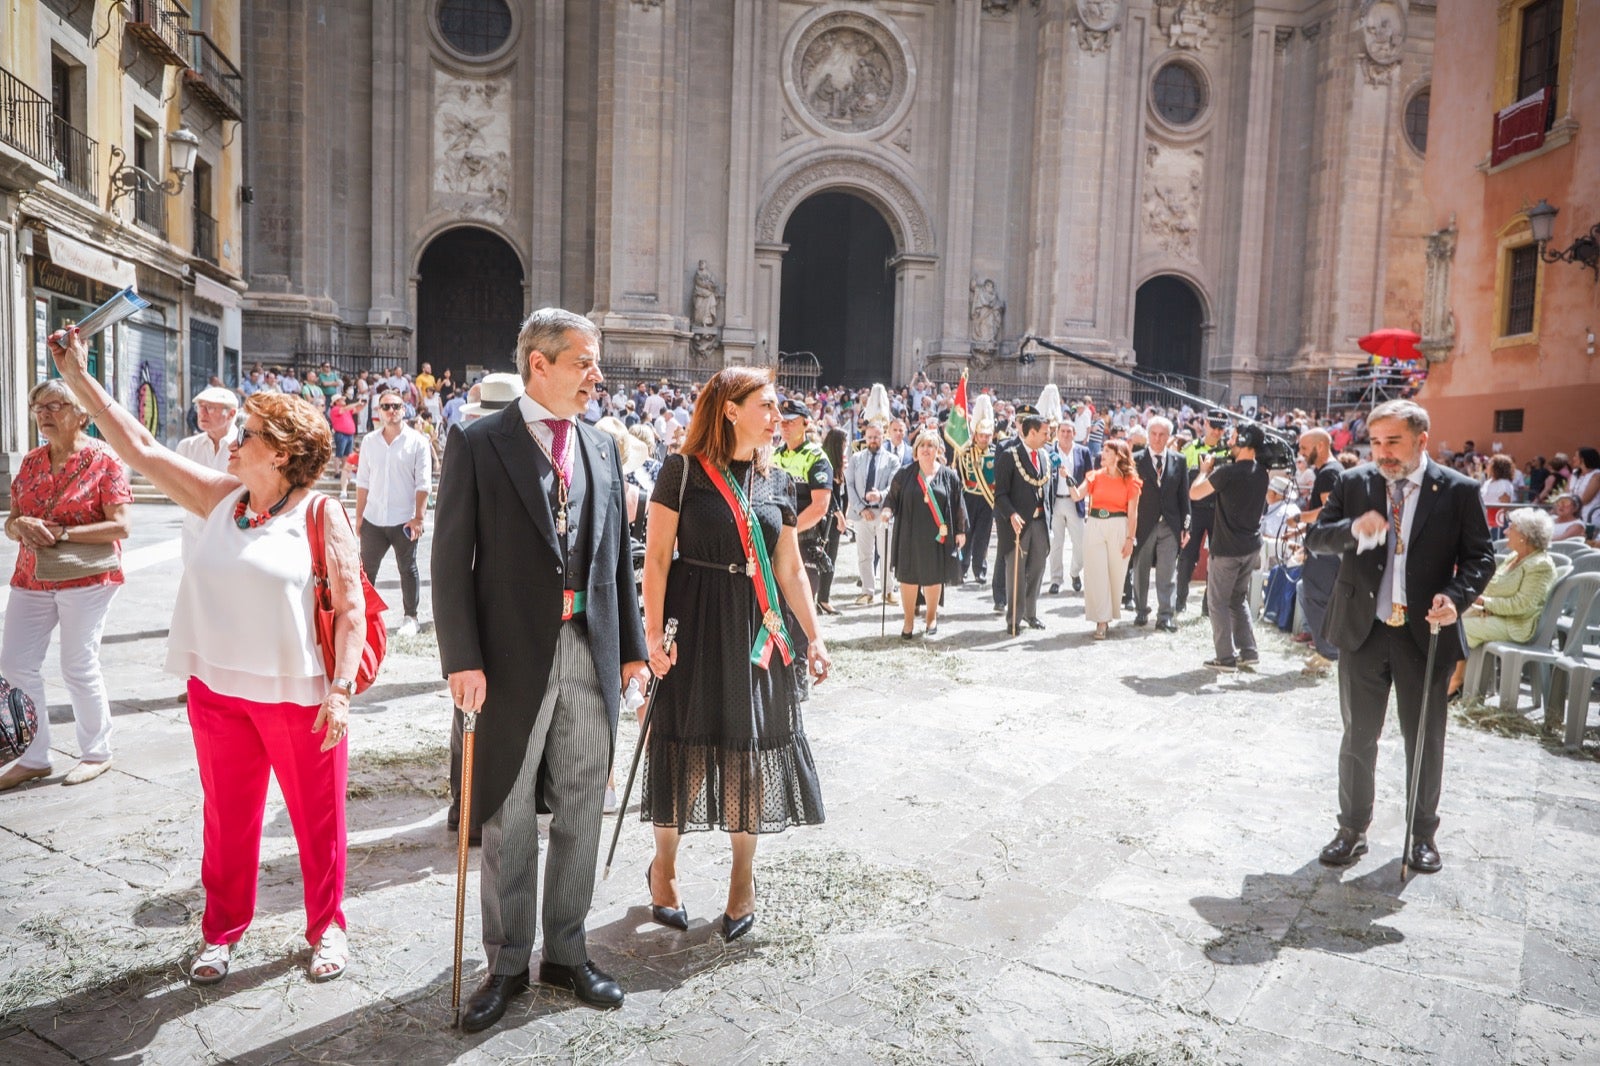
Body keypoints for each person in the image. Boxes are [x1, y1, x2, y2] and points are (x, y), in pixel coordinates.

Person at [43, 327, 366, 983]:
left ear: (280, 453)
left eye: (246, 434)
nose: (233, 441)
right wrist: (78, 377)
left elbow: (353, 607)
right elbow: (139, 446)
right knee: (227, 821)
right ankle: (221, 932)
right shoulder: (221, 499)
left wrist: (340, 692)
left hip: (300, 697)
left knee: (317, 822)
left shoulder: (320, 513)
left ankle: (327, 927)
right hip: (216, 692)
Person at [432, 308, 647, 1028]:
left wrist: (634, 650)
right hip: (506, 662)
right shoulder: (478, 442)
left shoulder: (601, 446)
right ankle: (505, 962)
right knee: (509, 812)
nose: (598, 375)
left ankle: (566, 951)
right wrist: (460, 658)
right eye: (584, 362)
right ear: (539, 365)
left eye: (596, 362)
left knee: (586, 802)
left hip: (590, 649)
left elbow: (616, 557)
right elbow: (449, 564)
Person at [639, 367, 828, 945]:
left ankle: (742, 881)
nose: (777, 419)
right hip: (693, 626)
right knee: (688, 755)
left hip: (757, 634)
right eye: (766, 407)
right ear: (729, 409)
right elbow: (656, 560)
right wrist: (651, 637)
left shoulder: (779, 482)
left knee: (747, 754)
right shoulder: (681, 471)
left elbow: (790, 568)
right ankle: (664, 869)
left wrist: (814, 637)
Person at [1302, 399, 1495, 875]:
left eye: (1394, 442)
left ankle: (1422, 834)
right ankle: (1352, 829)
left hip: (1425, 635)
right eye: (1376, 442)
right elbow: (1317, 539)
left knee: (1424, 740)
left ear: (1421, 440)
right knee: (1358, 737)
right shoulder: (1353, 482)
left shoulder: (1458, 490)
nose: (1383, 452)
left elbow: (1480, 559)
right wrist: (1353, 530)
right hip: (1363, 631)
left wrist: (1456, 596)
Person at [0, 380, 133, 792]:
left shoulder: (104, 460)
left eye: (54, 405)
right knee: (16, 663)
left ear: (80, 413)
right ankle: (35, 756)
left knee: (77, 664)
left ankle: (97, 752)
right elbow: (12, 521)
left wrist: (62, 534)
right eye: (38, 406)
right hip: (31, 574)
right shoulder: (32, 462)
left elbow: (122, 527)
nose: (44, 414)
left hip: (89, 576)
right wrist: (19, 524)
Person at [1448, 508, 1559, 698]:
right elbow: (1492, 588)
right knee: (1449, 616)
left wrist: (1485, 603)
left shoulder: (1540, 565)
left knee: (1461, 627)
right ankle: (1450, 677)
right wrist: (1485, 606)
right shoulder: (1513, 558)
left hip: (1519, 626)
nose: (1506, 531)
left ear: (1525, 535)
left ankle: (1457, 682)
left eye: (1511, 527)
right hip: (1498, 615)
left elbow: (1523, 606)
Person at [1190, 425, 1270, 670]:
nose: (1229, 442)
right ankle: (1249, 651)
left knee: (1217, 602)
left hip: (1227, 550)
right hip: (1250, 547)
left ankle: (1225, 657)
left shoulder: (1228, 473)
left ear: (1245, 442)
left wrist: (1204, 471)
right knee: (1237, 599)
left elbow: (1195, 493)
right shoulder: (1262, 473)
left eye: (1234, 439)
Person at [356, 392, 432, 638]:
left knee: (407, 568)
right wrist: (359, 517)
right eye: (386, 406)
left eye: (396, 406)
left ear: (404, 409)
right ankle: (361, 615)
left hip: (404, 518)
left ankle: (411, 617)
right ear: (378, 411)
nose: (391, 410)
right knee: (366, 570)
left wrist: (419, 518)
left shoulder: (417, 442)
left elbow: (423, 484)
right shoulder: (369, 441)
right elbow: (363, 482)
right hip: (374, 517)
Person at [885, 429, 967, 637]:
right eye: (922, 445)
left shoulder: (949, 476)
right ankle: (908, 622)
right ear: (916, 450)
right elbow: (892, 497)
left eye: (931, 445)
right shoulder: (904, 474)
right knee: (908, 577)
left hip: (936, 536)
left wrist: (961, 530)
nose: (926, 449)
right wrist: (887, 510)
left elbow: (959, 504)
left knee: (933, 577)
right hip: (909, 534)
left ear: (938, 450)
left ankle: (931, 617)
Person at [1070, 438, 1141, 640]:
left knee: (1115, 574)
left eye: (1107, 451)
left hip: (1119, 525)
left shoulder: (1131, 480)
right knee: (1096, 572)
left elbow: (1133, 513)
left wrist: (1130, 538)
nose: (1103, 454)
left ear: (1118, 455)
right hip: (1094, 524)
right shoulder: (1094, 476)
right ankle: (1101, 620)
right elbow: (1077, 496)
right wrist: (1067, 479)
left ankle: (1108, 615)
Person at [993, 414, 1055, 631]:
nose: (1049, 436)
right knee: (1016, 574)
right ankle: (1013, 620)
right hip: (1018, 525)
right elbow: (1000, 494)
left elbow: (1049, 492)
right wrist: (1011, 514)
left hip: (1040, 524)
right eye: (1045, 432)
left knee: (1037, 570)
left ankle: (1031, 613)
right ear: (1032, 432)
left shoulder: (1046, 457)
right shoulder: (1010, 456)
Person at [1293, 430, 1344, 673]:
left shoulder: (1329, 473)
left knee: (1314, 597)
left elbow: (1327, 510)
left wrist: (1299, 518)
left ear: (1321, 446)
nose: (1301, 453)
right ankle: (1327, 650)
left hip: (1325, 548)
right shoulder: (1334, 471)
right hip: (1329, 546)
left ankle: (1328, 653)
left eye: (1304, 447)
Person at [772, 399, 834, 600]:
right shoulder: (774, 456)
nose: (785, 426)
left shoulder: (816, 457)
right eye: (782, 421)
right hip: (774, 542)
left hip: (803, 542)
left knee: (798, 612)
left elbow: (819, 507)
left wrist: (788, 532)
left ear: (806, 423)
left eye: (791, 421)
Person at [1131, 416, 1189, 631]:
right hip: (1143, 524)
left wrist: (1186, 526)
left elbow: (1184, 497)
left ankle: (1165, 615)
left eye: (1162, 434)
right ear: (1148, 435)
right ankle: (1140, 610)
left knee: (1167, 571)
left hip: (1170, 525)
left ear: (1169, 437)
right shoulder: (1135, 459)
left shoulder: (1179, 460)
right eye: (1153, 434)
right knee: (1141, 569)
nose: (1157, 438)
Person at [175, 386, 241, 562]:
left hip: (235, 536)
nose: (202, 413)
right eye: (199, 407)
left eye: (210, 408)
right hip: (195, 535)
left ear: (231, 413)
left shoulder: (245, 447)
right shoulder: (187, 447)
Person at [1177, 415, 1230, 613]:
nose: (1217, 432)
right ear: (1205, 425)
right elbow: (1182, 483)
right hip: (1195, 510)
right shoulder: (1190, 449)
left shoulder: (1229, 452)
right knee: (1187, 557)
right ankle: (1180, 602)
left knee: (1216, 560)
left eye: (1221, 429)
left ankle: (1208, 606)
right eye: (1214, 427)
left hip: (1219, 511)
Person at [845, 423, 898, 606]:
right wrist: (860, 508)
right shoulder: (856, 459)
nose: (873, 440)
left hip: (883, 512)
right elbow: (849, 485)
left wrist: (881, 495)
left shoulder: (892, 460)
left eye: (876, 436)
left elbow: (894, 485)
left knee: (887, 554)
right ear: (865, 437)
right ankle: (867, 591)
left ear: (883, 437)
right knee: (864, 554)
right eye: (870, 437)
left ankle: (888, 591)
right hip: (862, 513)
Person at [1047, 420, 1092, 595]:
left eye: (1069, 431)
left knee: (1080, 543)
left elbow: (1089, 476)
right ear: (1057, 433)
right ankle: (1056, 579)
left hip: (1075, 502)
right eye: (1063, 431)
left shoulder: (1083, 451)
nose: (1066, 434)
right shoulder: (1050, 452)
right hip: (1056, 502)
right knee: (1056, 544)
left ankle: (1074, 572)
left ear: (1074, 433)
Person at [957, 420, 997, 584]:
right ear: (976, 436)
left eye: (987, 436)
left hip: (987, 498)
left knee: (983, 535)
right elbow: (960, 476)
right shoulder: (966, 453)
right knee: (967, 533)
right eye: (981, 435)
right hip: (969, 497)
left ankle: (979, 569)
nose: (984, 439)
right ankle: (962, 568)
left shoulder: (996, 453)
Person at [815, 428, 848, 614]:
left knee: (830, 558)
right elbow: (829, 494)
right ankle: (823, 599)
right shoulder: (825, 462)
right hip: (826, 520)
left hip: (832, 518)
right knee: (827, 558)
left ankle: (823, 597)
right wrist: (839, 514)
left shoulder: (836, 463)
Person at [1479, 454, 1516, 530]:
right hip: (1485, 520)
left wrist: (1494, 522)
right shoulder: (1488, 482)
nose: (1487, 465)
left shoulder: (1504, 484)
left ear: (1497, 467)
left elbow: (1505, 506)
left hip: (1495, 523)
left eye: (1490, 463)